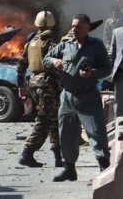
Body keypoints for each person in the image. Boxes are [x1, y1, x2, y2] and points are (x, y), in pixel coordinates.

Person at [44, 14, 112, 182]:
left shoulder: (96, 46)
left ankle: (105, 169)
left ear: (87, 28)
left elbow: (107, 68)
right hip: (67, 96)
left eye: (78, 27)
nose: (74, 29)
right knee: (66, 134)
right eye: (73, 26)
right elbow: (45, 59)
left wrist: (92, 73)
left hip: (88, 96)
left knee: (96, 133)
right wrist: (54, 62)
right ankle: (69, 169)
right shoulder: (65, 44)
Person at [17, 10, 63, 168]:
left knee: (54, 120)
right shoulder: (52, 41)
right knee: (45, 119)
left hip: (34, 83)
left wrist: (20, 86)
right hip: (48, 84)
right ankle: (27, 152)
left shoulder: (31, 41)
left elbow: (21, 65)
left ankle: (58, 156)